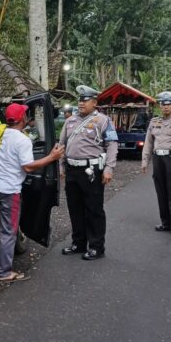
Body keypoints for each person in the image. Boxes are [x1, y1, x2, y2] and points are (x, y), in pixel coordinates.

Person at [0, 103, 64, 281]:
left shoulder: (1, 132)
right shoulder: (22, 140)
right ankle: (4, 272)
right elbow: (28, 167)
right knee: (9, 230)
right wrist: (52, 157)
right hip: (9, 190)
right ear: (22, 119)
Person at [59, 85, 118, 260]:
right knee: (74, 208)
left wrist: (109, 168)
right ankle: (78, 243)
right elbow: (62, 144)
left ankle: (96, 246)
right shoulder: (70, 121)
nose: (81, 103)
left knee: (94, 209)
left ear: (94, 102)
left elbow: (112, 145)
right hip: (72, 170)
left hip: (91, 170)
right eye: (80, 100)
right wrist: (61, 166)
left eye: (85, 100)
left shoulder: (103, 120)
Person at [141, 91, 171, 238]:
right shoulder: (154, 122)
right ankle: (166, 222)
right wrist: (145, 160)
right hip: (158, 160)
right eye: (163, 104)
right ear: (159, 106)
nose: (165, 107)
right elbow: (148, 142)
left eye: (168, 104)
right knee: (161, 191)